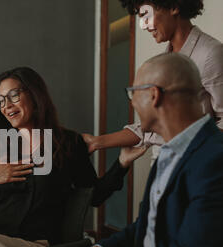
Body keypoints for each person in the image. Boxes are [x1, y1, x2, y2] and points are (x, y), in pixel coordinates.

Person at [38, 53, 223, 247]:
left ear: (154, 95)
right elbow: (146, 227)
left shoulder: (213, 159)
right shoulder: (171, 151)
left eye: (133, 93)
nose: (132, 103)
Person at [0, 67, 147, 247]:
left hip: (37, 246)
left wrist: (122, 163)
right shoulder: (0, 144)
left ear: (34, 94)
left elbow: (94, 196)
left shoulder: (68, 143)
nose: (7, 106)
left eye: (14, 96)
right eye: (1, 100)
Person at [83, 0, 223, 155]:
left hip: (191, 170)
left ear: (174, 7)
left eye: (145, 14)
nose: (143, 25)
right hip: (162, 166)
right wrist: (96, 142)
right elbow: (151, 126)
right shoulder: (165, 60)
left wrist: (193, 156)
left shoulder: (210, 54)